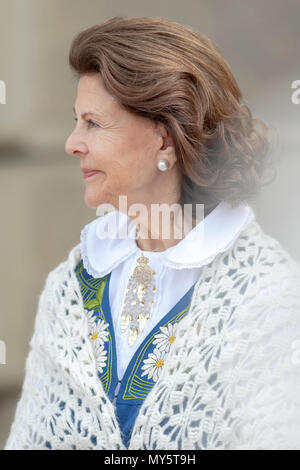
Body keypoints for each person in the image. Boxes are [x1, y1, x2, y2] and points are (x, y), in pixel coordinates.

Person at [4, 16, 300, 450]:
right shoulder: (71, 286)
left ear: (164, 139)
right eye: (75, 121)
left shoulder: (268, 296)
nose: (71, 143)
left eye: (93, 123)